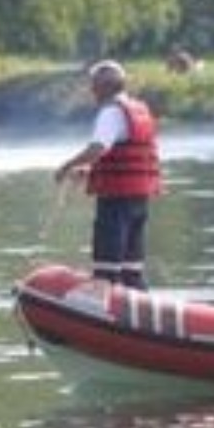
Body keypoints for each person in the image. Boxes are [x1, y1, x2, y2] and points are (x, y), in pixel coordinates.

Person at [55, 60, 162, 289]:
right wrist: (88, 170)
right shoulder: (139, 110)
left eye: (93, 86)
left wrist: (67, 166)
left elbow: (98, 149)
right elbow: (122, 151)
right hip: (138, 199)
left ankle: (105, 311)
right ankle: (138, 309)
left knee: (107, 269)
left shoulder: (110, 113)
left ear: (104, 87)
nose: (92, 91)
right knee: (131, 269)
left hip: (116, 200)